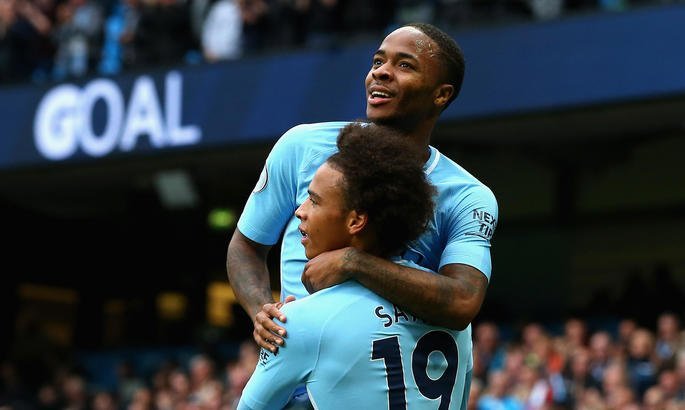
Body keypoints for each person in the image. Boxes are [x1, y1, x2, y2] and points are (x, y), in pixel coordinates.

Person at [227, 21, 497, 405]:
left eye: (405, 65)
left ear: (441, 94)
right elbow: (246, 247)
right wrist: (262, 313)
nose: (381, 72)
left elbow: (462, 302)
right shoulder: (301, 146)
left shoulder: (467, 196)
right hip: (293, 380)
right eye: (378, 61)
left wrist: (352, 262)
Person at [238, 121, 473, 409]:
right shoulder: (454, 323)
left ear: (356, 221)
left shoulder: (298, 321)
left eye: (314, 201)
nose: (300, 211)